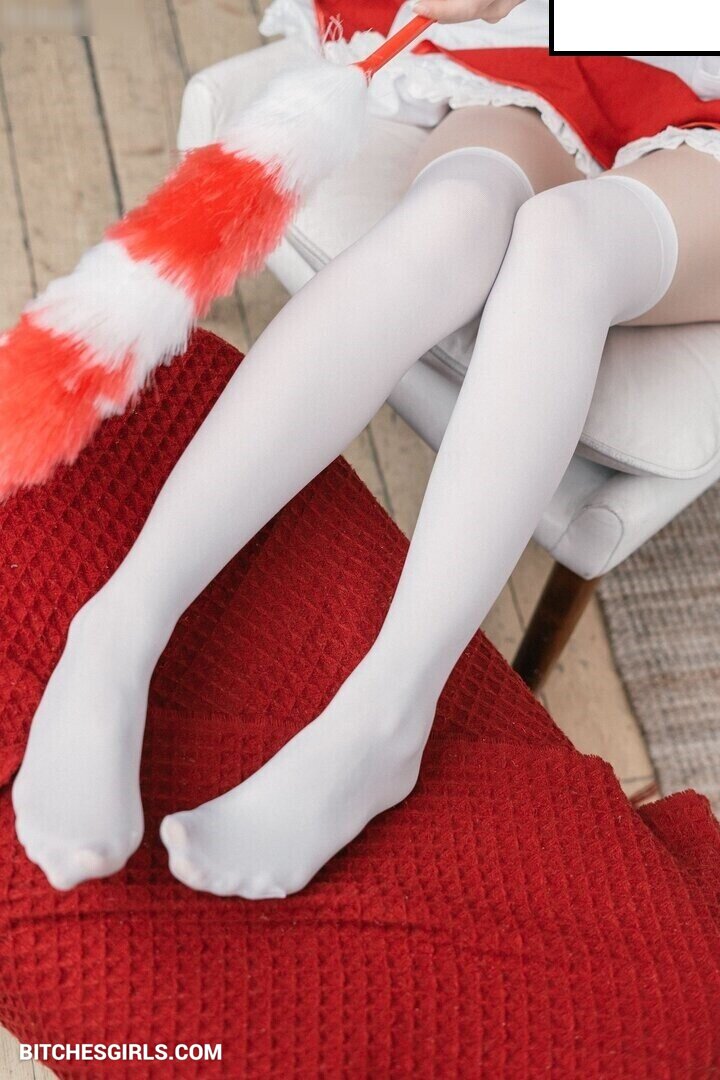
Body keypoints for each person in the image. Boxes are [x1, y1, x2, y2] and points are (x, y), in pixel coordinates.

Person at [13, 0, 720, 897]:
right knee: (453, 217)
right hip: (592, 57)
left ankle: (387, 715)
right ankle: (120, 626)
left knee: (566, 246)